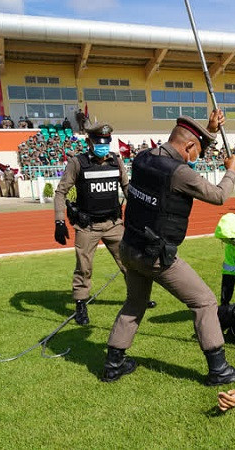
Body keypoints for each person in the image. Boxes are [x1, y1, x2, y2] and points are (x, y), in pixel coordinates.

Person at [102, 111, 235, 386]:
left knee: (135, 302)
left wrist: (209, 130)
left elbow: (187, 151)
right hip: (155, 255)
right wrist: (232, 171)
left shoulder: (144, 157)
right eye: (195, 151)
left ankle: (113, 364)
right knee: (204, 301)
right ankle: (219, 370)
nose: (196, 157)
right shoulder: (180, 173)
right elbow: (219, 196)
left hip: (129, 247)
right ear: (188, 146)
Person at [53, 122, 141, 325]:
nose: (103, 146)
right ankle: (81, 305)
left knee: (129, 262)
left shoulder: (116, 161)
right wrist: (59, 221)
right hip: (87, 225)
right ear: (89, 143)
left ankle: (138, 297)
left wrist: (139, 212)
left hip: (113, 223)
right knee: (84, 267)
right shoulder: (78, 163)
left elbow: (127, 188)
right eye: (98, 142)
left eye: (106, 142)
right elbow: (60, 192)